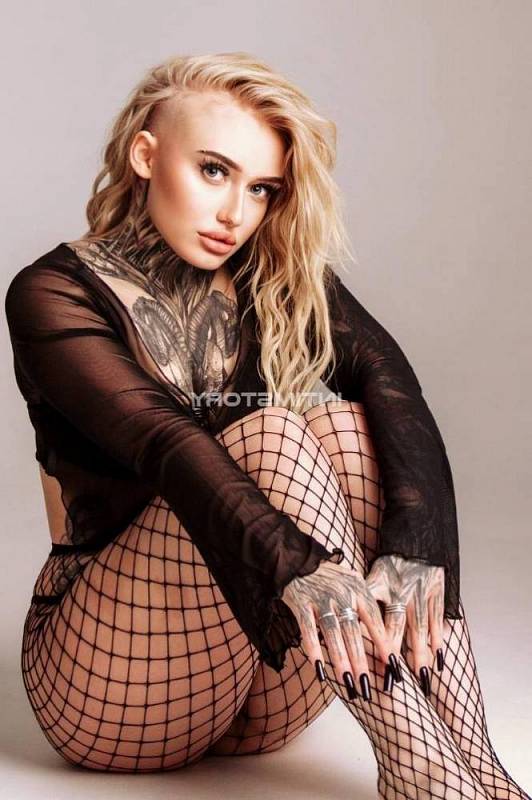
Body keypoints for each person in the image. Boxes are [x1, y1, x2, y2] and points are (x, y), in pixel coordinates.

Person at [4, 51, 529, 798]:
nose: (235, 213)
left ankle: (477, 768)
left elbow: (391, 381)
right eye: (213, 171)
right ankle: (424, 772)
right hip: (114, 680)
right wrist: (296, 567)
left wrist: (421, 546)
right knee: (273, 432)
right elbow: (164, 441)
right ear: (146, 155)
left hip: (263, 683)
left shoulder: (268, 274)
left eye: (261, 189)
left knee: (348, 428)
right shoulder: (53, 293)